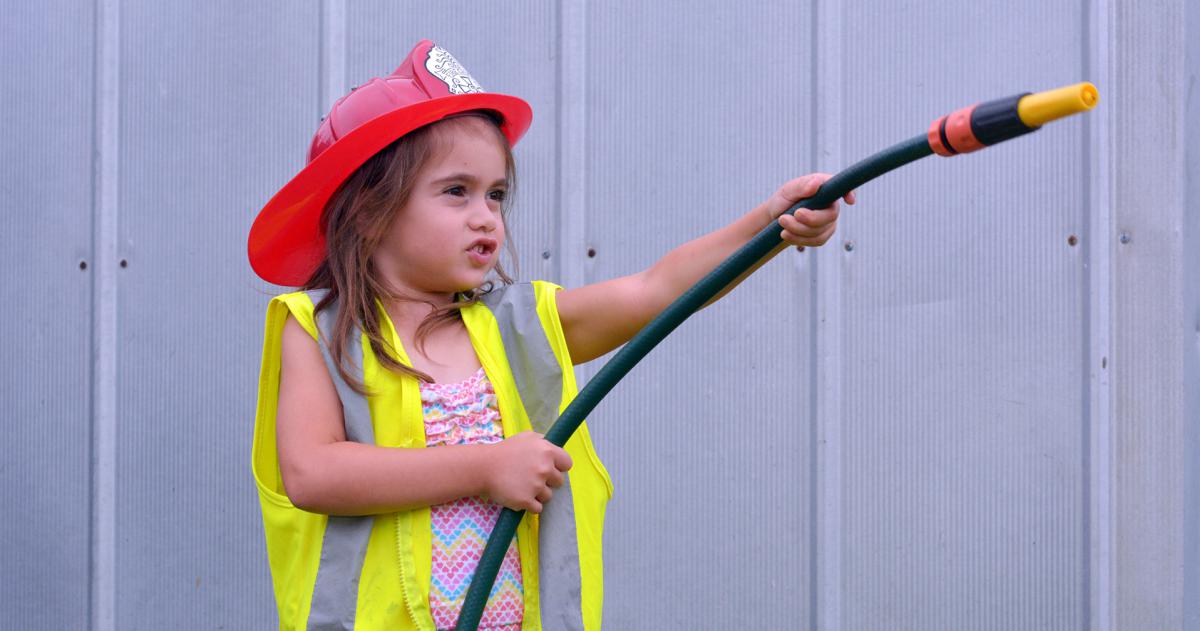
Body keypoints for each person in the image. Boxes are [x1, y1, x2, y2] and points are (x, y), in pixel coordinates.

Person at [248, 39, 851, 631]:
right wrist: (485, 467)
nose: (486, 217)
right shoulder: (318, 331)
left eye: (496, 195)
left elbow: (658, 290)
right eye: (457, 191)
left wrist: (770, 225)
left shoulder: (523, 327)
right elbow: (313, 474)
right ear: (367, 209)